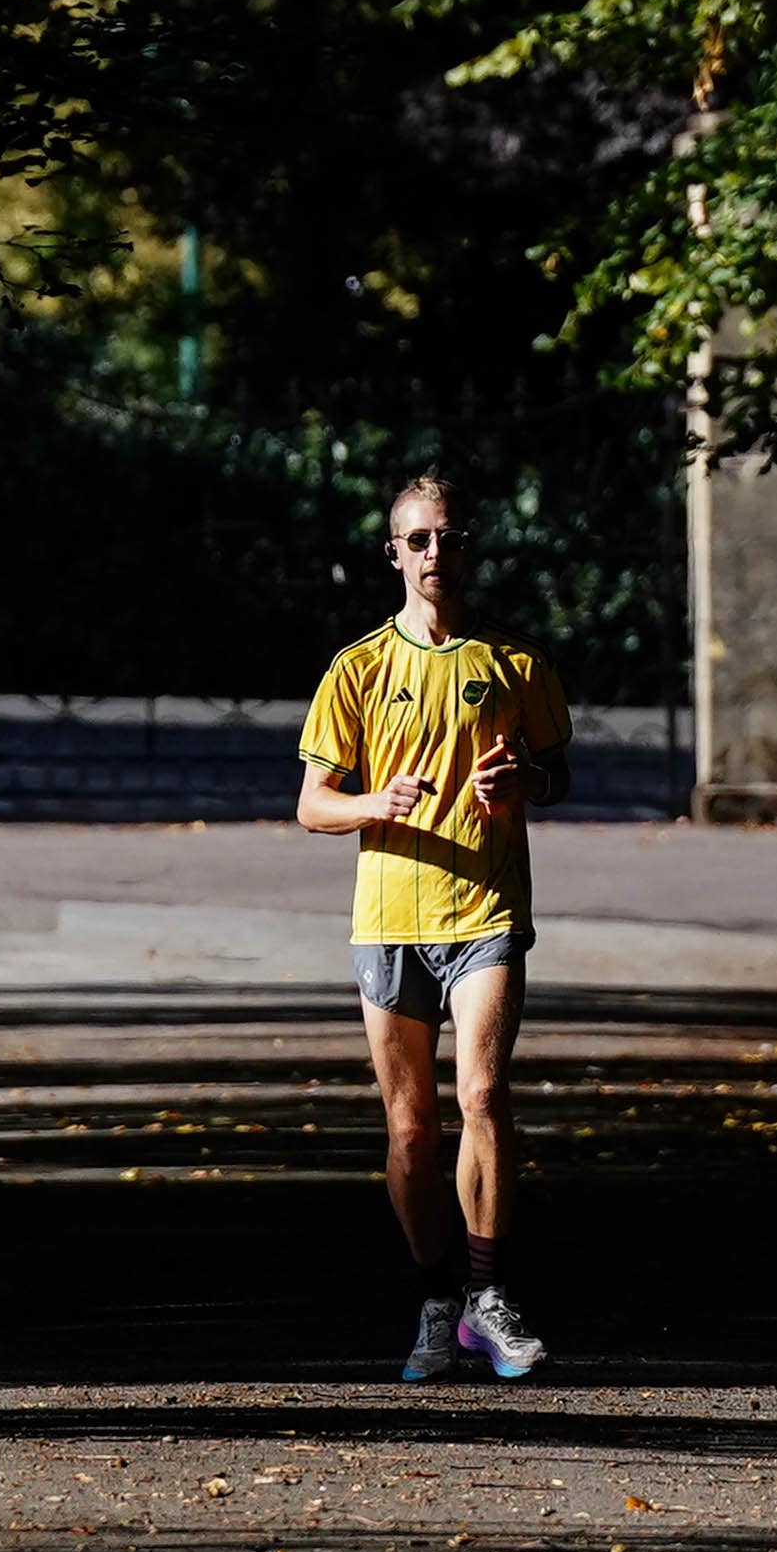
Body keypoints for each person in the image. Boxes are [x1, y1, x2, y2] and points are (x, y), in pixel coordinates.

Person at [294, 468, 568, 1382]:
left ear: (467, 548)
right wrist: (380, 799)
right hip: (389, 923)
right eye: (418, 539)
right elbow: (311, 805)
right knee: (411, 1130)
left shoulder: (516, 664)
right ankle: (437, 1297)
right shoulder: (359, 669)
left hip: (486, 912)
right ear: (394, 553)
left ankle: (490, 1299)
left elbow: (554, 774)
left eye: (448, 537)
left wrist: (520, 783)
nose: (435, 553)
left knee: (483, 1098)